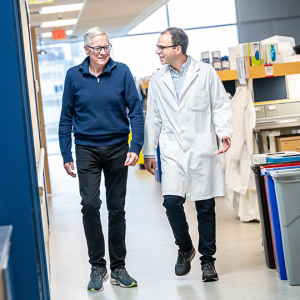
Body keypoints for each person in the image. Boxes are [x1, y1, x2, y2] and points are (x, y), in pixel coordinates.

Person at [143, 27, 233, 282]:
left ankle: (208, 261)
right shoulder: (158, 78)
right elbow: (154, 116)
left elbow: (220, 104)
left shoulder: (205, 73)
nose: (157, 51)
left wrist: (225, 132)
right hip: (172, 149)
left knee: (205, 205)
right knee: (172, 202)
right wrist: (150, 151)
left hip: (201, 146)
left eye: (162, 47)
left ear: (177, 49)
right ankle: (185, 248)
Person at [59, 27, 144, 292]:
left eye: (106, 47)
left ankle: (118, 268)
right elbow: (65, 118)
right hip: (86, 149)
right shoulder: (74, 76)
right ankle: (98, 265)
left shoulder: (122, 72)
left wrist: (136, 145)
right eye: (97, 48)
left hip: (119, 148)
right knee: (89, 205)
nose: (103, 52)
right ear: (86, 50)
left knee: (117, 208)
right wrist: (65, 153)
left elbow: (137, 113)